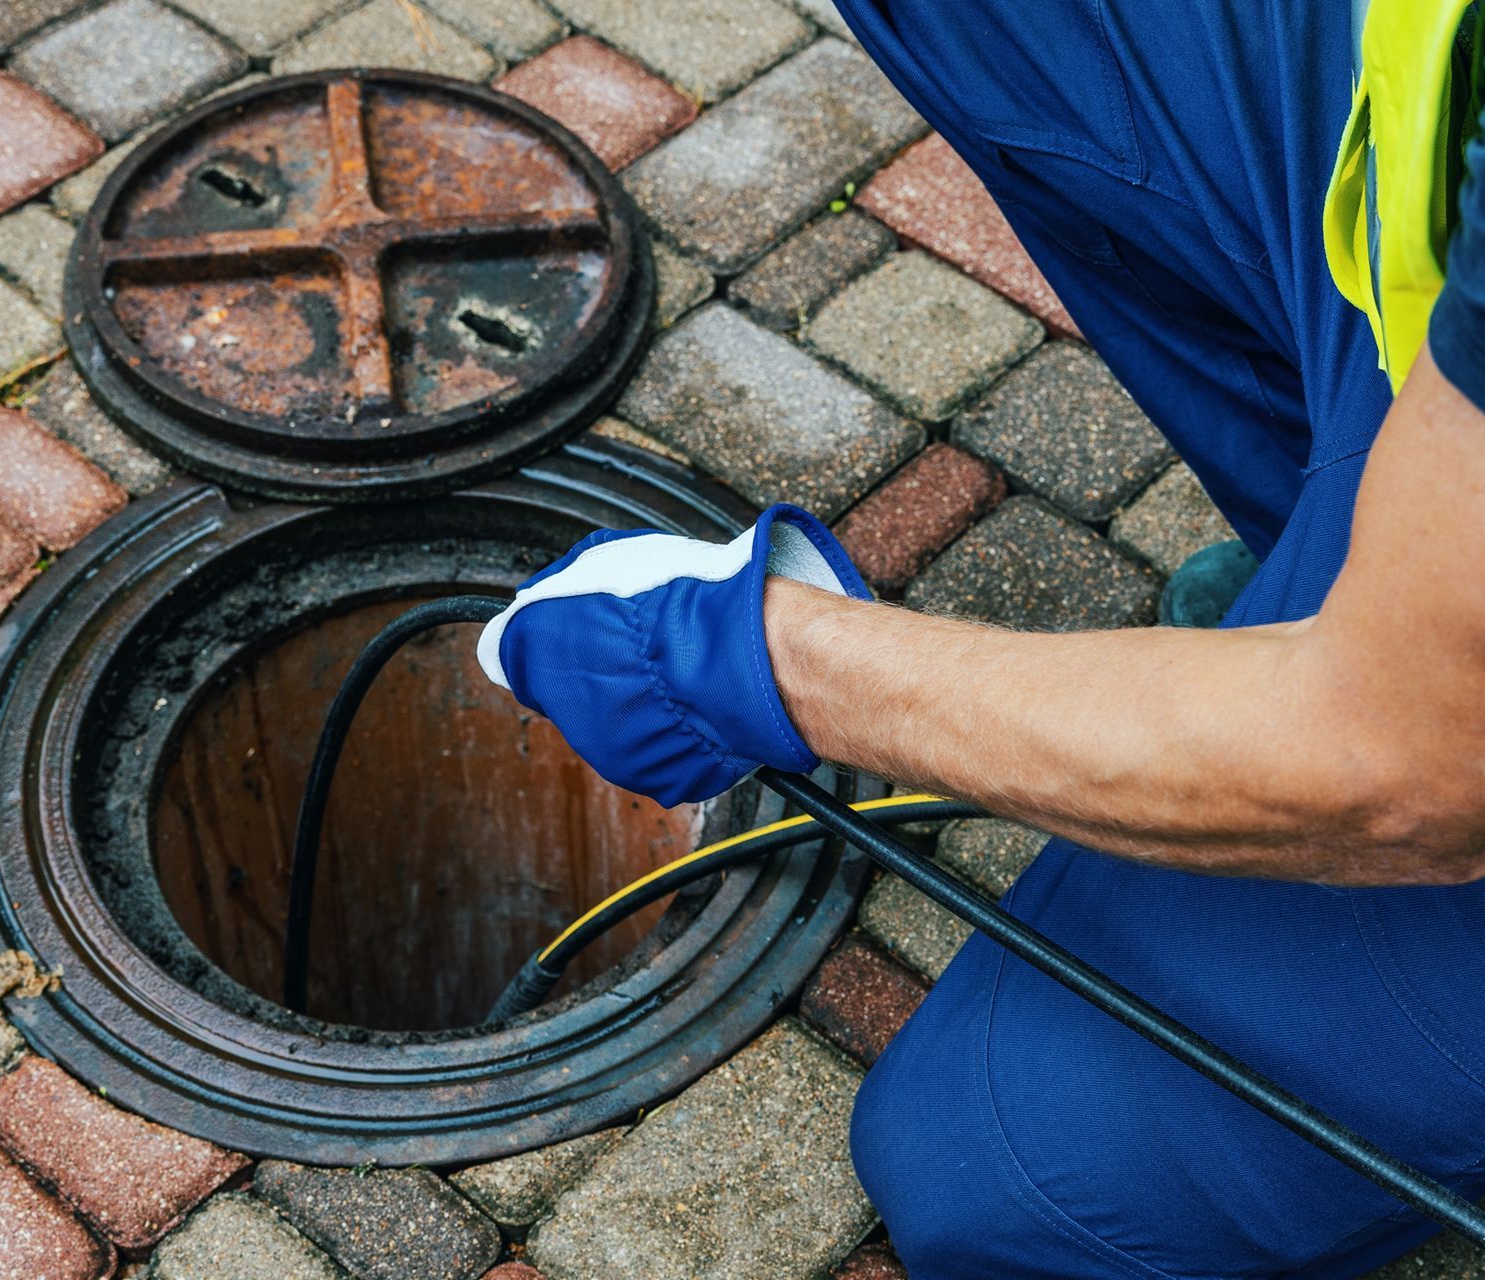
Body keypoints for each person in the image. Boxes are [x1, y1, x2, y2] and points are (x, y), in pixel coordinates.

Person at [476, 2, 1485, 1275]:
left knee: (994, 1168)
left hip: (1424, 757)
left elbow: (1396, 767)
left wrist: (762, 659)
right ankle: (1390, 553)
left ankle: (1387, 618)